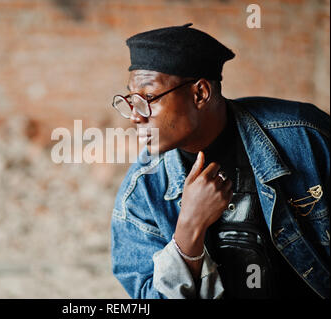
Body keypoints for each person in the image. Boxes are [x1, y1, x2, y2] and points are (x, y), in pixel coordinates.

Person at [110, 23, 330, 299]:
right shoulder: (142, 192)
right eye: (131, 99)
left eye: (149, 98)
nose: (134, 115)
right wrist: (189, 227)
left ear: (200, 93)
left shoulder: (305, 138)